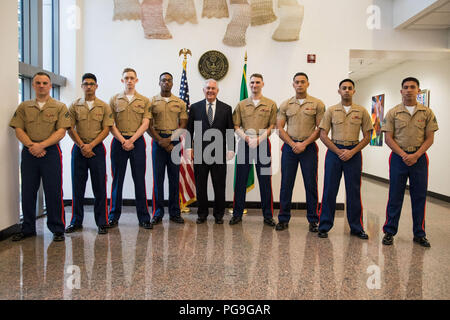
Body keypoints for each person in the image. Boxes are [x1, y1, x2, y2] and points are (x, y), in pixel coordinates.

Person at [9, 72, 71, 242]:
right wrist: (31, 145)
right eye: (38, 82)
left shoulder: (59, 107)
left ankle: (57, 228)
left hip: (51, 152)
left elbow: (61, 131)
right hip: (29, 152)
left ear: (50, 86)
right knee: (28, 191)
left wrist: (42, 146)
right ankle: (27, 228)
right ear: (33, 85)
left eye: (45, 83)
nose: (42, 85)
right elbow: (18, 129)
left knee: (53, 191)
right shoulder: (24, 107)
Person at [381, 77, 438, 248]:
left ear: (418, 91)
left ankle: (419, 234)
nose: (409, 90)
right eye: (405, 87)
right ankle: (389, 232)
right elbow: (388, 138)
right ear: (401, 91)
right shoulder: (393, 112)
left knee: (419, 196)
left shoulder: (427, 113)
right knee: (395, 196)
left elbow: (430, 138)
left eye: (412, 87)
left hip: (419, 158)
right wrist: (404, 154)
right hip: (399, 158)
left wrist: (416, 154)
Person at [317, 79, 373, 239]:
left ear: (354, 91)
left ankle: (356, 227)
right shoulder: (331, 111)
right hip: (334, 153)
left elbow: (368, 136)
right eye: (344, 88)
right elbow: (323, 134)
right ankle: (324, 226)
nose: (347, 90)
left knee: (353, 191)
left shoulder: (361, 111)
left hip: (353, 153)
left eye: (350, 88)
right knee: (329, 190)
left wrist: (352, 151)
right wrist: (339, 151)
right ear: (339, 91)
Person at [276, 72, 325, 232]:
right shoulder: (285, 105)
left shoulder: (317, 104)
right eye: (297, 82)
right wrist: (292, 144)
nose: (300, 84)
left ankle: (313, 220)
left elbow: (320, 129)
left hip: (308, 148)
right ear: (293, 84)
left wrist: (303, 144)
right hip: (289, 148)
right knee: (286, 184)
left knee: (311, 184)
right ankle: (283, 219)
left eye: (303, 82)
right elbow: (279, 128)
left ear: (308, 84)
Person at [65, 73, 114, 235]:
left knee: (99, 186)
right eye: (86, 84)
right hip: (79, 149)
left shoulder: (104, 106)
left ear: (96, 86)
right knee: (77, 187)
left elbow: (106, 129)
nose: (89, 86)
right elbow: (70, 128)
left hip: (97, 149)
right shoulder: (74, 106)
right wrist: (82, 145)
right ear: (81, 86)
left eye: (92, 84)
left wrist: (91, 145)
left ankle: (101, 222)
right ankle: (76, 221)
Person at [108, 68, 152, 229]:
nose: (129, 81)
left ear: (137, 80)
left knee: (139, 180)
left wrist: (132, 140)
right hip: (118, 142)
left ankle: (144, 218)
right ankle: (113, 216)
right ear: (122, 80)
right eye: (126, 78)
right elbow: (110, 124)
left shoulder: (144, 100)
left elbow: (146, 123)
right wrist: (123, 140)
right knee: (117, 181)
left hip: (137, 142)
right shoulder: (114, 99)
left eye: (132, 78)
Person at [231, 73, 277, 226]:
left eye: (257, 82)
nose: (254, 85)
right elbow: (236, 125)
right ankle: (237, 214)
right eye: (252, 82)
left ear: (263, 84)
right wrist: (246, 138)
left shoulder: (270, 104)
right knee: (240, 181)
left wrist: (259, 139)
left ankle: (268, 216)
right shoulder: (242, 104)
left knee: (265, 181)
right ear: (249, 84)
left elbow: (273, 125)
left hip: (262, 143)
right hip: (245, 143)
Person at [186, 79, 235, 224]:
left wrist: (231, 148)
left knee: (219, 185)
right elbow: (189, 130)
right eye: (207, 88)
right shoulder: (195, 108)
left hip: (219, 153)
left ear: (217, 90)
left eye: (213, 88)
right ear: (203, 90)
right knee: (201, 185)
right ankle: (202, 214)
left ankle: (219, 215)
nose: (210, 90)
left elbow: (230, 131)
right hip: (200, 153)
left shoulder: (226, 108)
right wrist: (189, 148)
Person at [147, 72, 188, 225]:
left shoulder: (179, 102)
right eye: (163, 80)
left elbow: (183, 124)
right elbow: (148, 125)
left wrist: (170, 140)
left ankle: (175, 213)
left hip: (174, 142)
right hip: (157, 142)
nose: (166, 82)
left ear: (172, 83)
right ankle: (158, 212)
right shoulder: (151, 102)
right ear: (159, 83)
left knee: (174, 178)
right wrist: (160, 141)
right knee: (158, 179)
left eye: (169, 80)